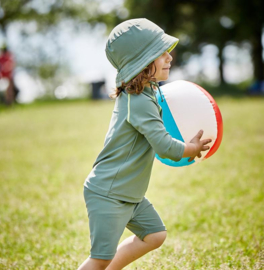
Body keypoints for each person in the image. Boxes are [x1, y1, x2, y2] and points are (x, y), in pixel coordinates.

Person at [78, 18, 211, 270]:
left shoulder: (147, 92)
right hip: (109, 193)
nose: (169, 57)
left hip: (129, 192)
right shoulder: (138, 100)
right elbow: (164, 147)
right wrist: (191, 148)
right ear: (141, 62)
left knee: (154, 235)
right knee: (100, 258)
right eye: (161, 54)